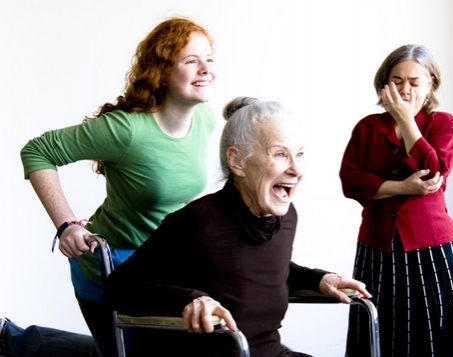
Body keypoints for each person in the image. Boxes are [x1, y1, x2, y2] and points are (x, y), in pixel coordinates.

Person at [11, 17, 217, 357]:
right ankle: (15, 342)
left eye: (209, 59)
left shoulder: (204, 121)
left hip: (163, 272)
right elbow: (38, 151)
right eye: (191, 60)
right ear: (163, 70)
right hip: (112, 266)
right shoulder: (126, 130)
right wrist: (66, 226)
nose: (205, 69)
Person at [104, 96, 372, 357]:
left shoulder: (286, 217)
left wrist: (318, 279)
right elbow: (119, 287)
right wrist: (189, 299)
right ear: (237, 161)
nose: (295, 169)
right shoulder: (199, 221)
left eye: (299, 154)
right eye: (280, 154)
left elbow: (254, 272)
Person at [339, 44, 453, 357]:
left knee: (431, 329)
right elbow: (351, 181)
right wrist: (403, 187)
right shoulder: (367, 128)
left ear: (430, 86)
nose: (404, 89)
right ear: (384, 84)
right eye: (397, 80)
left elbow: (435, 171)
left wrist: (406, 119)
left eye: (414, 82)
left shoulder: (444, 124)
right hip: (377, 244)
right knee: (377, 324)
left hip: (429, 244)